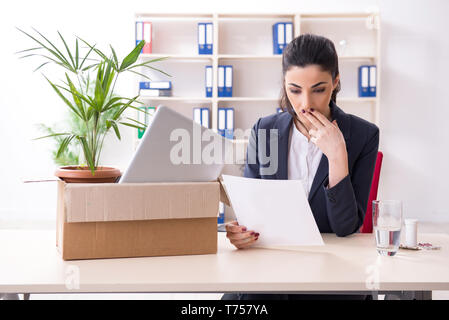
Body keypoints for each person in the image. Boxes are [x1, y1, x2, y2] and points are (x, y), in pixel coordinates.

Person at [222, 33, 379, 300]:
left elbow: (344, 227)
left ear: (335, 82)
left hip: (331, 273)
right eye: (295, 90)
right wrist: (241, 233)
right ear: (284, 84)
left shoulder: (363, 135)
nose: (306, 104)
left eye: (318, 89)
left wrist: (337, 156)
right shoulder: (265, 129)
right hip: (270, 267)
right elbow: (251, 210)